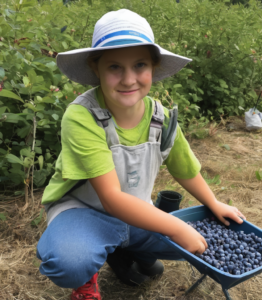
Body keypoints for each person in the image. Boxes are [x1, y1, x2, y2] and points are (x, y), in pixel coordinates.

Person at [36, 9, 246, 300]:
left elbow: (184, 167)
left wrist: (213, 202)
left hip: (136, 211)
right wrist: (175, 227)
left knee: (206, 241)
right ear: (96, 68)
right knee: (71, 263)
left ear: (154, 67)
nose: (128, 79)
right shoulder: (82, 117)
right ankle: (88, 272)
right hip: (84, 213)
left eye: (139, 65)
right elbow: (110, 198)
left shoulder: (159, 116)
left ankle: (125, 249)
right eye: (114, 67)